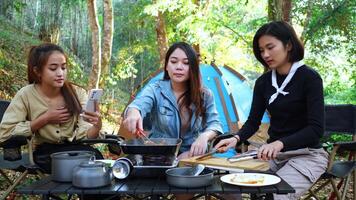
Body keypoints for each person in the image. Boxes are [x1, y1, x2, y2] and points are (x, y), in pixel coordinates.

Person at [215, 21, 328, 200]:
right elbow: (253, 122)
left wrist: (279, 143)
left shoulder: (310, 78)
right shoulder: (263, 82)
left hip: (307, 154)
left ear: (288, 45)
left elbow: (316, 130)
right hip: (271, 155)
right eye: (261, 50)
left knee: (274, 196)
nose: (265, 54)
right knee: (228, 184)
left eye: (270, 47)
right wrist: (235, 138)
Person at [0, 43, 103, 173]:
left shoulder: (77, 93)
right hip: (45, 154)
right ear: (37, 71)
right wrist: (44, 119)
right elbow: (5, 133)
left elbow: (86, 135)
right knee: (85, 167)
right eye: (53, 69)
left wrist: (97, 126)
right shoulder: (25, 95)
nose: (60, 73)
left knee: (96, 161)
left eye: (64, 67)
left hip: (76, 150)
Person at [123, 41, 223, 159]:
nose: (179, 67)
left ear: (193, 68)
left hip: (193, 156)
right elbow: (139, 104)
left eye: (186, 63)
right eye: (174, 61)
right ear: (166, 66)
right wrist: (133, 112)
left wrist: (204, 137)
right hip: (159, 157)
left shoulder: (205, 95)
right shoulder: (155, 90)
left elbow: (215, 123)